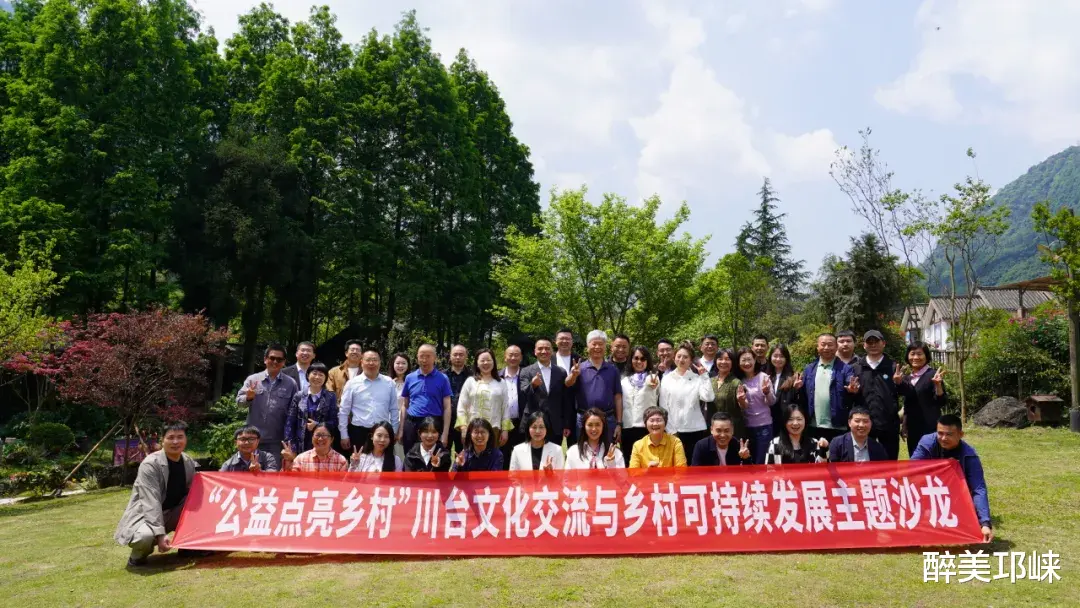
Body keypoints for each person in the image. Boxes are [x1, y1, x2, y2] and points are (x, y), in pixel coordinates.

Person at [115, 422, 196, 567]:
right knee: (145, 537)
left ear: (186, 439)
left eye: (180, 437)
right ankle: (137, 557)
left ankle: (187, 547)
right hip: (147, 515)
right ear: (162, 440)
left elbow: (192, 493)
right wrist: (160, 534)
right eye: (170, 437)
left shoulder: (188, 461)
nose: (175, 442)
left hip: (173, 512)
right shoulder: (150, 464)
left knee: (198, 508)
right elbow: (151, 502)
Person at [911, 414, 993, 542]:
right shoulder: (927, 443)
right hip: (927, 492)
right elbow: (912, 471)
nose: (943, 438)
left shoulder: (969, 455)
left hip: (956, 497)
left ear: (961, 435)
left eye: (949, 434)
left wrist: (985, 524)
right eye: (940, 433)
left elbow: (978, 488)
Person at [793, 333, 857, 443]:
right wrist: (797, 389)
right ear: (817, 347)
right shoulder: (809, 369)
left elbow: (851, 384)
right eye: (823, 344)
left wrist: (852, 389)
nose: (826, 348)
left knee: (837, 453)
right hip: (813, 424)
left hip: (837, 425)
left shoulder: (846, 369)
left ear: (836, 347)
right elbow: (803, 397)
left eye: (830, 344)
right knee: (814, 453)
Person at [659, 340, 714, 463]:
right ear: (674, 358)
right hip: (674, 430)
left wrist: (704, 376)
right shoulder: (667, 379)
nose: (681, 359)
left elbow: (708, 397)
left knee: (694, 465)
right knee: (676, 464)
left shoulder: (697, 378)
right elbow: (663, 406)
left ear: (691, 360)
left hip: (695, 428)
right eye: (679, 356)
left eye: (685, 357)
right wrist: (671, 430)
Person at [237, 344, 298, 454]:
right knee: (252, 465)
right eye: (272, 358)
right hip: (252, 437)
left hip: (277, 439)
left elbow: (294, 411)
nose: (275, 362)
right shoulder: (253, 379)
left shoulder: (291, 383)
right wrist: (248, 398)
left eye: (279, 359)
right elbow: (239, 403)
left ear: (284, 362)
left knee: (273, 466)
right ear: (265, 359)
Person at [849, 330, 901, 460]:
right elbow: (850, 396)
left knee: (889, 461)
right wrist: (852, 392)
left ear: (883, 343)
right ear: (864, 345)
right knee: (863, 460)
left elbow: (905, 393)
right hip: (863, 423)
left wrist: (900, 383)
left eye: (876, 341)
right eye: (869, 342)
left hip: (888, 423)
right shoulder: (856, 367)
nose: (873, 345)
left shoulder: (893, 367)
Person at [566, 330, 623, 445]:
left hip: (608, 419)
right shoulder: (579, 368)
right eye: (594, 344)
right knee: (583, 451)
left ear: (605, 346)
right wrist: (573, 375)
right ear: (588, 346)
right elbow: (567, 384)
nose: (597, 347)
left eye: (600, 344)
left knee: (607, 451)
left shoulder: (613, 369)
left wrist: (619, 423)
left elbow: (618, 397)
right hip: (584, 418)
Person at [337, 351, 398, 452]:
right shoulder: (352, 383)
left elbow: (394, 409)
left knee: (384, 461)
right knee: (359, 460)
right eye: (368, 360)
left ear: (380, 362)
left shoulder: (389, 383)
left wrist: (394, 431)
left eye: (375, 360)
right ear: (361, 362)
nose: (371, 363)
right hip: (359, 432)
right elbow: (344, 411)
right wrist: (344, 435)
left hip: (383, 432)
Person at [895, 341, 947, 458]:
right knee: (915, 460)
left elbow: (941, 402)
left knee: (931, 460)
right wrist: (904, 425)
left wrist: (938, 386)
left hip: (930, 427)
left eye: (919, 354)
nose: (915, 357)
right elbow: (908, 404)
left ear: (926, 356)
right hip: (913, 428)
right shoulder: (907, 378)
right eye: (912, 354)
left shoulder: (933, 375)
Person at [398, 344, 453, 453]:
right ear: (417, 357)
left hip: (433, 424)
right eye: (421, 356)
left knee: (432, 457)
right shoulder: (409, 378)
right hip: (412, 423)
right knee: (410, 455)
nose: (424, 360)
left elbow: (447, 407)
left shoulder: (443, 378)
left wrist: (445, 433)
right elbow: (405, 405)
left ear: (435, 358)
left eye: (428, 356)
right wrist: (401, 429)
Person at [457, 348, 511, 449]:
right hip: (473, 429)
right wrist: (463, 428)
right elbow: (461, 406)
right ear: (477, 363)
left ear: (493, 362)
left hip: (494, 429)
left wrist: (505, 430)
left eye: (489, 360)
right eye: (482, 360)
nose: (486, 363)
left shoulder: (501, 383)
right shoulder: (470, 381)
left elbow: (505, 407)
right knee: (473, 457)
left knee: (492, 457)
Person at [519, 337, 570, 443]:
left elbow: (565, 399)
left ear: (552, 351)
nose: (544, 351)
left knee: (554, 452)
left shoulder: (561, 372)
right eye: (540, 348)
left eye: (547, 348)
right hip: (534, 423)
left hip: (555, 424)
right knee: (532, 453)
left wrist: (566, 424)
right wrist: (533, 385)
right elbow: (523, 393)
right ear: (535, 351)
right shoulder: (526, 371)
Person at [284, 361, 339, 454]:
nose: (317, 377)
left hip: (323, 442)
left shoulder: (330, 397)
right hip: (301, 444)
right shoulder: (298, 396)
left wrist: (318, 425)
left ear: (325, 378)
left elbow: (334, 421)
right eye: (314, 373)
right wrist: (290, 445)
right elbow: (290, 422)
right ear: (308, 375)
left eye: (321, 375)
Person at [734, 347, 776, 464]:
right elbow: (744, 407)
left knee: (761, 461)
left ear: (755, 360)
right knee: (748, 460)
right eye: (743, 360)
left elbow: (772, 402)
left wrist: (767, 392)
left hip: (764, 426)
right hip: (746, 426)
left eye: (749, 359)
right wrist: (741, 400)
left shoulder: (763, 377)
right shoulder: (739, 381)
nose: (747, 363)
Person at [620, 346, 659, 466]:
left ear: (647, 361)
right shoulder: (624, 381)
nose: (639, 361)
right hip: (628, 427)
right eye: (636, 358)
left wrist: (653, 383)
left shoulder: (653, 378)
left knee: (648, 462)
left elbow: (653, 384)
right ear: (631, 360)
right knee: (630, 462)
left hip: (647, 428)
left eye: (643, 359)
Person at [765, 404, 829, 464]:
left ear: (805, 421)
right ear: (784, 422)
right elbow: (769, 469)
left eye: (799, 419)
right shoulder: (775, 444)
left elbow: (824, 465)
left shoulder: (814, 443)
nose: (795, 423)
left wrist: (825, 449)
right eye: (790, 419)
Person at [279, 423, 348, 472]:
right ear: (312, 438)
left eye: (324, 435)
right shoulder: (301, 459)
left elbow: (343, 485)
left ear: (332, 439)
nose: (320, 439)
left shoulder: (340, 461)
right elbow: (290, 481)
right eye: (317, 435)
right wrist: (288, 461)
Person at [765, 344, 799, 436]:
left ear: (786, 358)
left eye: (781, 356)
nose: (778, 359)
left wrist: (797, 389)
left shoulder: (793, 377)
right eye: (775, 356)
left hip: (786, 422)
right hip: (768, 422)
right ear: (770, 357)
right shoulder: (765, 376)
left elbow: (798, 402)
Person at [500, 344, 526, 468]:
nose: (513, 358)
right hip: (502, 423)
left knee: (521, 457)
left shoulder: (527, 375)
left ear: (521, 357)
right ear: (505, 357)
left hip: (521, 423)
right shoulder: (497, 377)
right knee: (503, 456)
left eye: (516, 355)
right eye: (510, 355)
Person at [444, 344, 470, 455]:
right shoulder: (442, 375)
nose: (458, 357)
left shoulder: (473, 376)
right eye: (455, 354)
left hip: (465, 421)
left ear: (466, 356)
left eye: (461, 354)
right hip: (446, 421)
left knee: (464, 454)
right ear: (450, 356)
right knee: (443, 453)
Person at [712, 348, 743, 437]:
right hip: (714, 428)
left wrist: (742, 401)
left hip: (732, 429)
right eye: (720, 359)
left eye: (727, 359)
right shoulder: (710, 381)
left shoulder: (736, 382)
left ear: (732, 362)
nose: (723, 362)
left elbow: (743, 406)